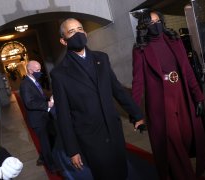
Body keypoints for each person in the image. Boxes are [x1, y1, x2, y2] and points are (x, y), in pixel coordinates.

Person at [50, 18, 145, 180]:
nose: (78, 33)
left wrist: (137, 114)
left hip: (114, 129)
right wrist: (72, 150)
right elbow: (64, 116)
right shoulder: (59, 74)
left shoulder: (102, 58)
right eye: (72, 32)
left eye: (80, 29)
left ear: (85, 33)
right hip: (90, 138)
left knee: (122, 171)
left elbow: (118, 90)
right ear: (63, 40)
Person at [131, 10, 205, 180]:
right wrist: (135, 113)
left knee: (186, 136)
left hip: (182, 94)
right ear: (144, 26)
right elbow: (138, 82)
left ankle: (177, 171)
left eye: (158, 21)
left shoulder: (174, 40)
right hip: (161, 102)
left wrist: (198, 96)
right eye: (151, 23)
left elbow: (187, 69)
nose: (156, 25)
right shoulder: (140, 49)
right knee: (172, 141)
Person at [19, 60, 58, 173]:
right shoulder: (25, 85)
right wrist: (47, 104)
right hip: (37, 120)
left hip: (45, 117)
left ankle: (46, 157)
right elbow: (29, 103)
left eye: (40, 69)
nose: (40, 72)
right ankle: (52, 167)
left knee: (52, 138)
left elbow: (38, 97)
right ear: (30, 71)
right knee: (45, 144)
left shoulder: (35, 80)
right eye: (37, 70)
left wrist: (47, 99)